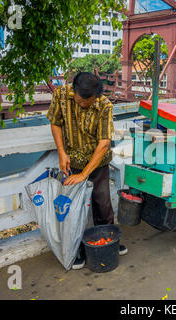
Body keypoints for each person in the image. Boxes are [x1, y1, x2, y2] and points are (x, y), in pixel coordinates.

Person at [46, 72, 127, 270]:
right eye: (81, 101)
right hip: (71, 159)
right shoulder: (61, 95)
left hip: (97, 161)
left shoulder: (104, 105)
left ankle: (108, 241)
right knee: (73, 207)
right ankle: (77, 249)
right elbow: (55, 122)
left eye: (88, 102)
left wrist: (84, 174)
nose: (84, 105)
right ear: (74, 91)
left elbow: (104, 142)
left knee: (102, 203)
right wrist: (61, 152)